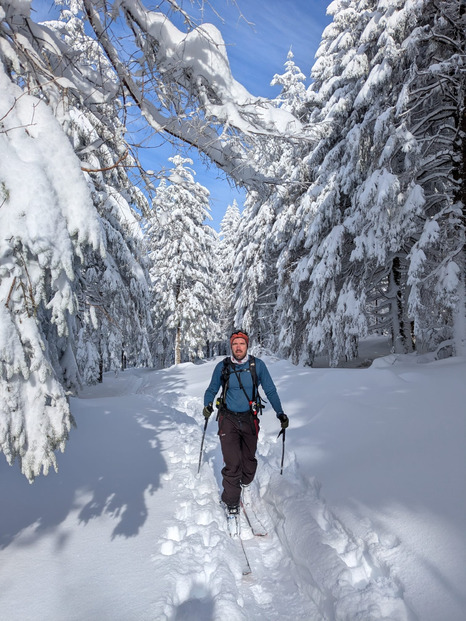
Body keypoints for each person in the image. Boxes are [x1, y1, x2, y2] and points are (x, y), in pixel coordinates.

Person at [203, 330, 289, 514]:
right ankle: (231, 502)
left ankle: (245, 484)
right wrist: (208, 405)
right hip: (228, 419)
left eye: (242, 343)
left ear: (247, 345)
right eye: (235, 344)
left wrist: (280, 413)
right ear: (231, 346)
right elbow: (211, 389)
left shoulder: (257, 366)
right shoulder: (222, 366)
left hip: (249, 418)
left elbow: (271, 391)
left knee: (249, 463)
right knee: (233, 463)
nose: (238, 347)